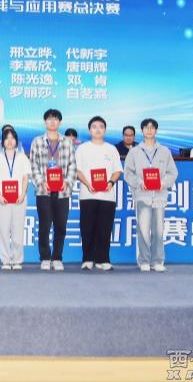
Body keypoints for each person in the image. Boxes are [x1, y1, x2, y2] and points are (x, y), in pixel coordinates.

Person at [124, 118, 178, 273]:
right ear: (142, 131)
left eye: (152, 127)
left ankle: (157, 261)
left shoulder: (164, 151)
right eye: (146, 127)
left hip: (159, 196)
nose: (149, 130)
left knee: (158, 231)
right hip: (142, 196)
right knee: (143, 230)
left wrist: (163, 183)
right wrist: (139, 182)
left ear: (156, 130)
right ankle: (144, 261)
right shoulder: (134, 152)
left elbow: (173, 173)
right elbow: (128, 174)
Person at [29, 109, 77, 272]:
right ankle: (44, 257)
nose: (52, 122)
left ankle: (57, 257)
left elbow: (72, 165)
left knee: (61, 226)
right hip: (44, 191)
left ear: (60, 122)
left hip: (62, 191)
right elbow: (33, 165)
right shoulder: (37, 141)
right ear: (45, 122)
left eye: (55, 119)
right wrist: (41, 182)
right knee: (44, 225)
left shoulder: (67, 142)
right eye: (49, 119)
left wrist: (67, 182)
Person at [75, 116, 123, 271]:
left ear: (105, 130)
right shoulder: (82, 148)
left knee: (105, 228)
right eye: (94, 127)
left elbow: (117, 170)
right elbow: (77, 170)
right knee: (87, 228)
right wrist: (87, 184)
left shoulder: (111, 149)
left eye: (101, 126)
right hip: (87, 194)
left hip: (107, 196)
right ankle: (87, 259)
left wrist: (111, 182)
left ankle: (103, 259)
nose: (98, 129)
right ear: (90, 130)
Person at [0, 127, 31, 271]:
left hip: (19, 199)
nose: (9, 141)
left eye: (12, 138)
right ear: (2, 142)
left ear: (16, 141)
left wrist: (22, 194)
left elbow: (25, 177)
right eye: (7, 138)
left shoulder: (22, 157)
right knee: (3, 230)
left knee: (18, 230)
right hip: (2, 199)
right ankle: (6, 260)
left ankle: (17, 260)